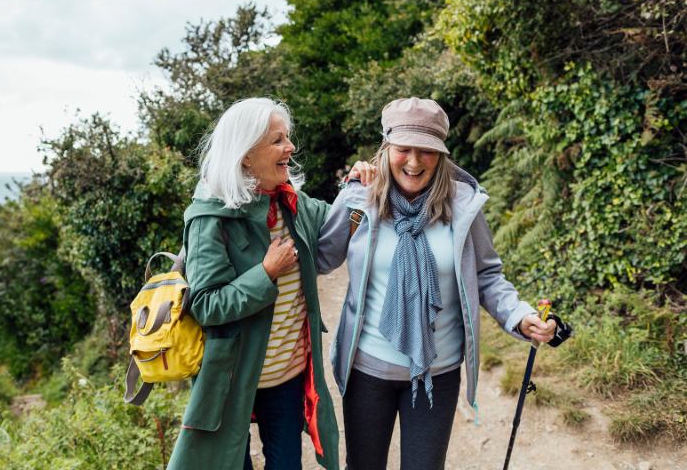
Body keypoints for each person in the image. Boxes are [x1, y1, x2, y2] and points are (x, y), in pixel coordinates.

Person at [317, 97, 557, 469]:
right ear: (386, 149)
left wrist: (519, 316)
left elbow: (487, 275)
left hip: (438, 371)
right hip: (367, 371)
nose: (414, 162)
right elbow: (318, 257)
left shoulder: (463, 207)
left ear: (441, 154)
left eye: (426, 150)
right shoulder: (358, 200)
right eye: (404, 149)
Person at [167, 98, 340, 470]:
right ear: (245, 155)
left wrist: (361, 185)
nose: (290, 148)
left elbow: (341, 221)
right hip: (232, 378)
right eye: (278, 140)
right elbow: (208, 305)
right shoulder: (209, 219)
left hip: (287, 377)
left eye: (288, 138)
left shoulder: (291, 203)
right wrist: (266, 273)